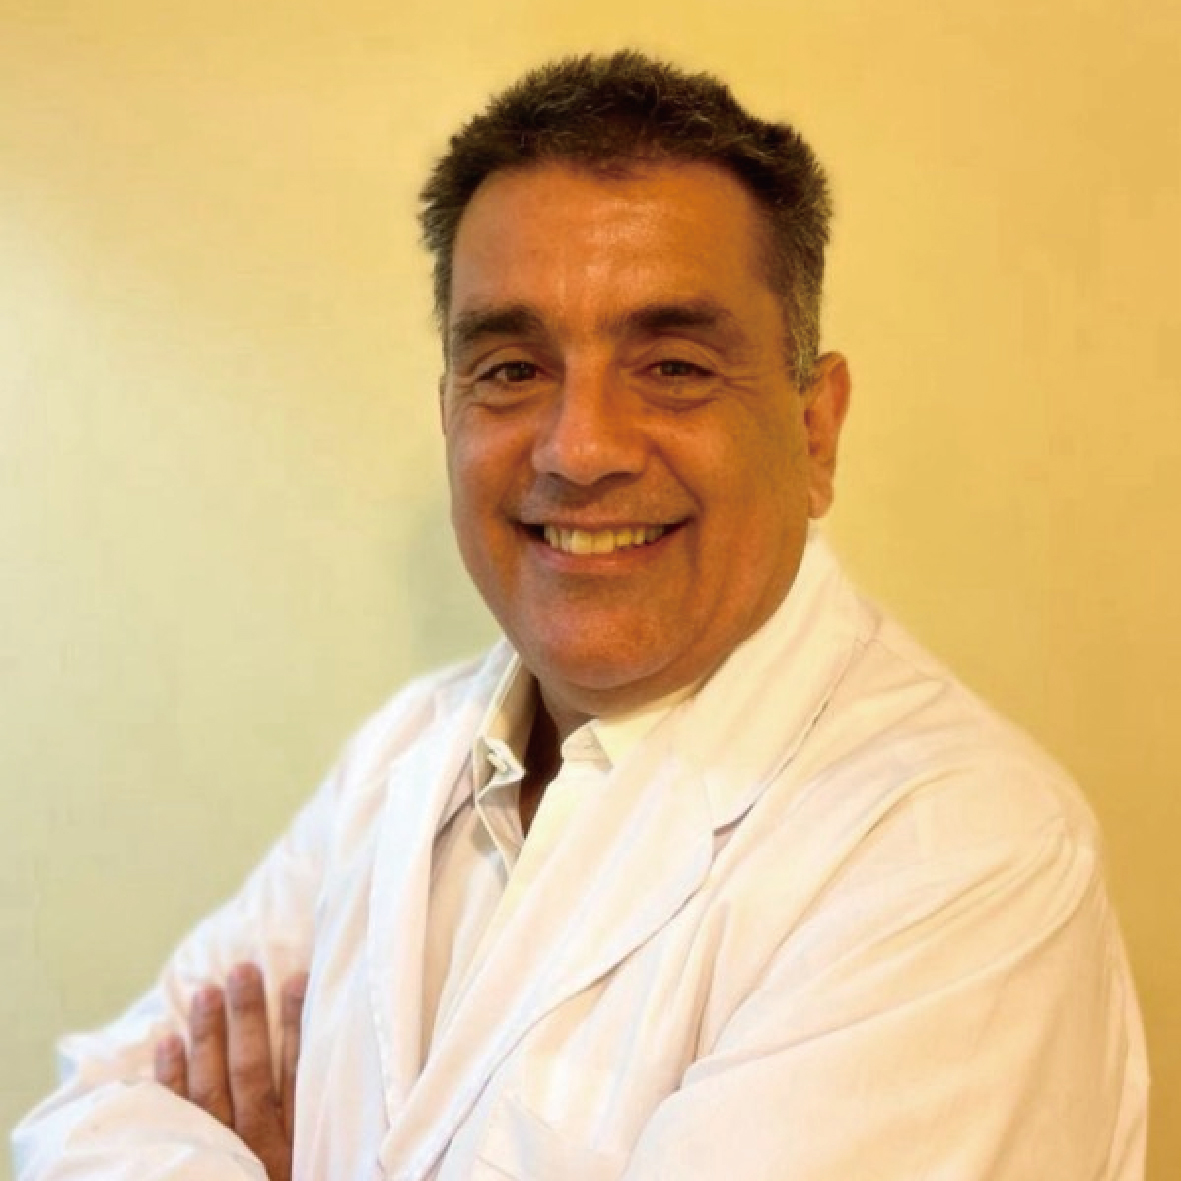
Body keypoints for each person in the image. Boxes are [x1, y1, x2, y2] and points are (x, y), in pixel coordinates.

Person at [12, 50, 1148, 1181]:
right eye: (511, 369)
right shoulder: (401, 758)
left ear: (814, 431)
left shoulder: (957, 859)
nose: (580, 448)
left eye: (673, 366)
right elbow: (76, 1121)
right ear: (450, 411)